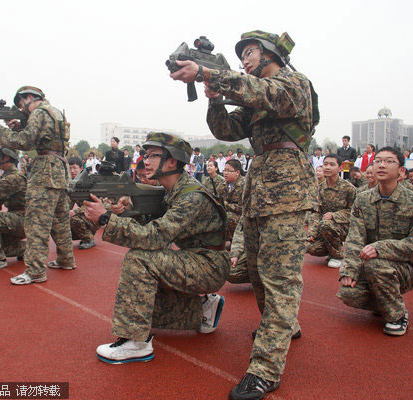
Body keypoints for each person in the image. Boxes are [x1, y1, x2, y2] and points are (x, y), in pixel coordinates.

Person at [171, 30, 319, 398]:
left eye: (250, 52)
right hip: (261, 189)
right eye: (242, 56)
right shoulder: (252, 92)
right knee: (256, 269)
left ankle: (265, 370)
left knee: (280, 279)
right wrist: (215, 98)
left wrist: (208, 74)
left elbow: (262, 92)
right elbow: (226, 129)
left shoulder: (293, 83)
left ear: (270, 54)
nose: (245, 60)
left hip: (289, 191)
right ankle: (286, 324)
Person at [84, 132, 229, 365]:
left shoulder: (191, 197)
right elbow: (151, 228)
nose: (145, 161)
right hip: (196, 258)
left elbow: (154, 237)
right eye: (145, 154)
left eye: (152, 155)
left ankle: (136, 342)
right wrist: (127, 210)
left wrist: (105, 220)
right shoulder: (172, 191)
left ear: (172, 161)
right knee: (146, 308)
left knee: (139, 259)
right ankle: (203, 308)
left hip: (209, 265)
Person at [336, 147, 413, 336]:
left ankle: (397, 315)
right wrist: (349, 270)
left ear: (401, 171)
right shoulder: (363, 200)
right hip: (371, 265)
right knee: (348, 294)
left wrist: (380, 248)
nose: (381, 165)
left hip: (407, 267)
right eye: (378, 161)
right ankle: (386, 299)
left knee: (376, 263)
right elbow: (355, 237)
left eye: (389, 161)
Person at [0, 86, 75, 284]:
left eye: (21, 104)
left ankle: (35, 271)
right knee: (60, 221)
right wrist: (18, 127)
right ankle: (66, 258)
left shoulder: (39, 112)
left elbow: (26, 142)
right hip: (59, 170)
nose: (22, 109)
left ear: (28, 98)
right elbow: (42, 139)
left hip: (44, 172)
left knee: (36, 223)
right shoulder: (55, 112)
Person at [307, 154, 357, 268]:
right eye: (325, 164)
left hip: (345, 227)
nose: (327, 167)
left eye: (332, 164)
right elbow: (315, 212)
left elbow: (354, 212)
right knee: (311, 248)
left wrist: (335, 215)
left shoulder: (349, 189)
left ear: (340, 168)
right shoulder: (319, 189)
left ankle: (338, 256)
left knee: (326, 224)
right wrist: (312, 233)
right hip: (325, 227)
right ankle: (333, 248)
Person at [65, 157, 97, 250]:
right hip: (85, 215)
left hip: (95, 216)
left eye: (74, 168)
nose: (72, 171)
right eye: (69, 168)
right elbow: (68, 203)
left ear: (81, 169)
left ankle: (89, 239)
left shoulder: (88, 183)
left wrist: (75, 211)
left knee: (74, 218)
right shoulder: (72, 184)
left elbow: (93, 205)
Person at [222, 159, 246, 240]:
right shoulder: (223, 184)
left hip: (242, 217)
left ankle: (232, 239)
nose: (225, 173)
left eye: (229, 171)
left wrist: (225, 205)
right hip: (227, 212)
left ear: (237, 172)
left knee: (227, 217)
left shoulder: (244, 185)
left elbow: (243, 208)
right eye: (224, 170)